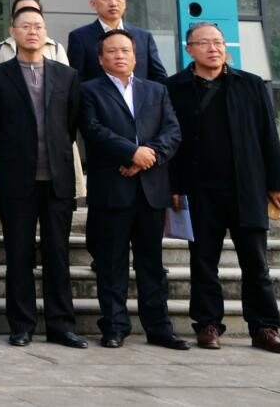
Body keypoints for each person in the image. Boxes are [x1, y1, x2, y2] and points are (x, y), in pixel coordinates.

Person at [167, 22, 280, 354]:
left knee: (256, 263)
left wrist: (277, 182)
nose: (214, 49)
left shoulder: (250, 84)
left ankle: (264, 328)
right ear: (189, 49)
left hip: (246, 187)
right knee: (203, 262)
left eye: (219, 43)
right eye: (205, 43)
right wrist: (173, 186)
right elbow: (171, 141)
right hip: (199, 190)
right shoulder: (174, 87)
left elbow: (269, 135)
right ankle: (208, 325)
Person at [0, 6, 88, 349]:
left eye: (38, 26)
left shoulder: (67, 76)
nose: (32, 32)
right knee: (19, 255)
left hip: (58, 181)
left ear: (46, 33)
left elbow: (71, 125)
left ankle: (61, 326)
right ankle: (21, 325)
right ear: (12, 32)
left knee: (58, 255)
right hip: (16, 180)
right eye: (25, 26)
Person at [80, 28, 186, 350]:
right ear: (101, 59)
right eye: (112, 51)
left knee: (151, 263)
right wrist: (130, 153)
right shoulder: (88, 91)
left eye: (125, 50)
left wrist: (146, 157)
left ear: (135, 57)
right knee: (111, 263)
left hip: (151, 190)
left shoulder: (156, 90)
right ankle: (114, 326)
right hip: (112, 190)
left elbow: (172, 131)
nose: (120, 55)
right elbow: (93, 131)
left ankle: (159, 328)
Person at [67, 0, 168, 83]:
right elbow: (77, 80)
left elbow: (159, 77)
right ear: (93, 4)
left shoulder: (144, 37)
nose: (113, 3)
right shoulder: (80, 37)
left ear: (125, 3)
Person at [0, 0, 69, 65]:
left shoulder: (55, 48)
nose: (28, 16)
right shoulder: (0, 49)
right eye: (21, 12)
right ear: (12, 19)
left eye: (33, 11)